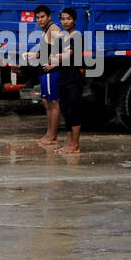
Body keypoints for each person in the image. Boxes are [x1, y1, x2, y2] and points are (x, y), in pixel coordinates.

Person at [25, 5, 64, 146]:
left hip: (50, 72)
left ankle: (53, 137)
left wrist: (53, 63)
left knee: (53, 103)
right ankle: (49, 134)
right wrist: (34, 55)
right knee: (47, 103)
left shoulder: (53, 29)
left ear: (49, 17)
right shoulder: (46, 30)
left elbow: (60, 48)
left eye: (43, 17)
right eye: (38, 17)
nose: (40, 20)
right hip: (44, 71)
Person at [54, 8, 85, 155]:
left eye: (68, 19)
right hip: (63, 78)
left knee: (74, 110)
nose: (65, 22)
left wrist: (54, 57)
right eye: (63, 19)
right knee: (65, 110)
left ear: (75, 20)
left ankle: (76, 145)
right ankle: (69, 143)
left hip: (74, 78)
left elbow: (67, 55)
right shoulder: (62, 37)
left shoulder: (77, 36)